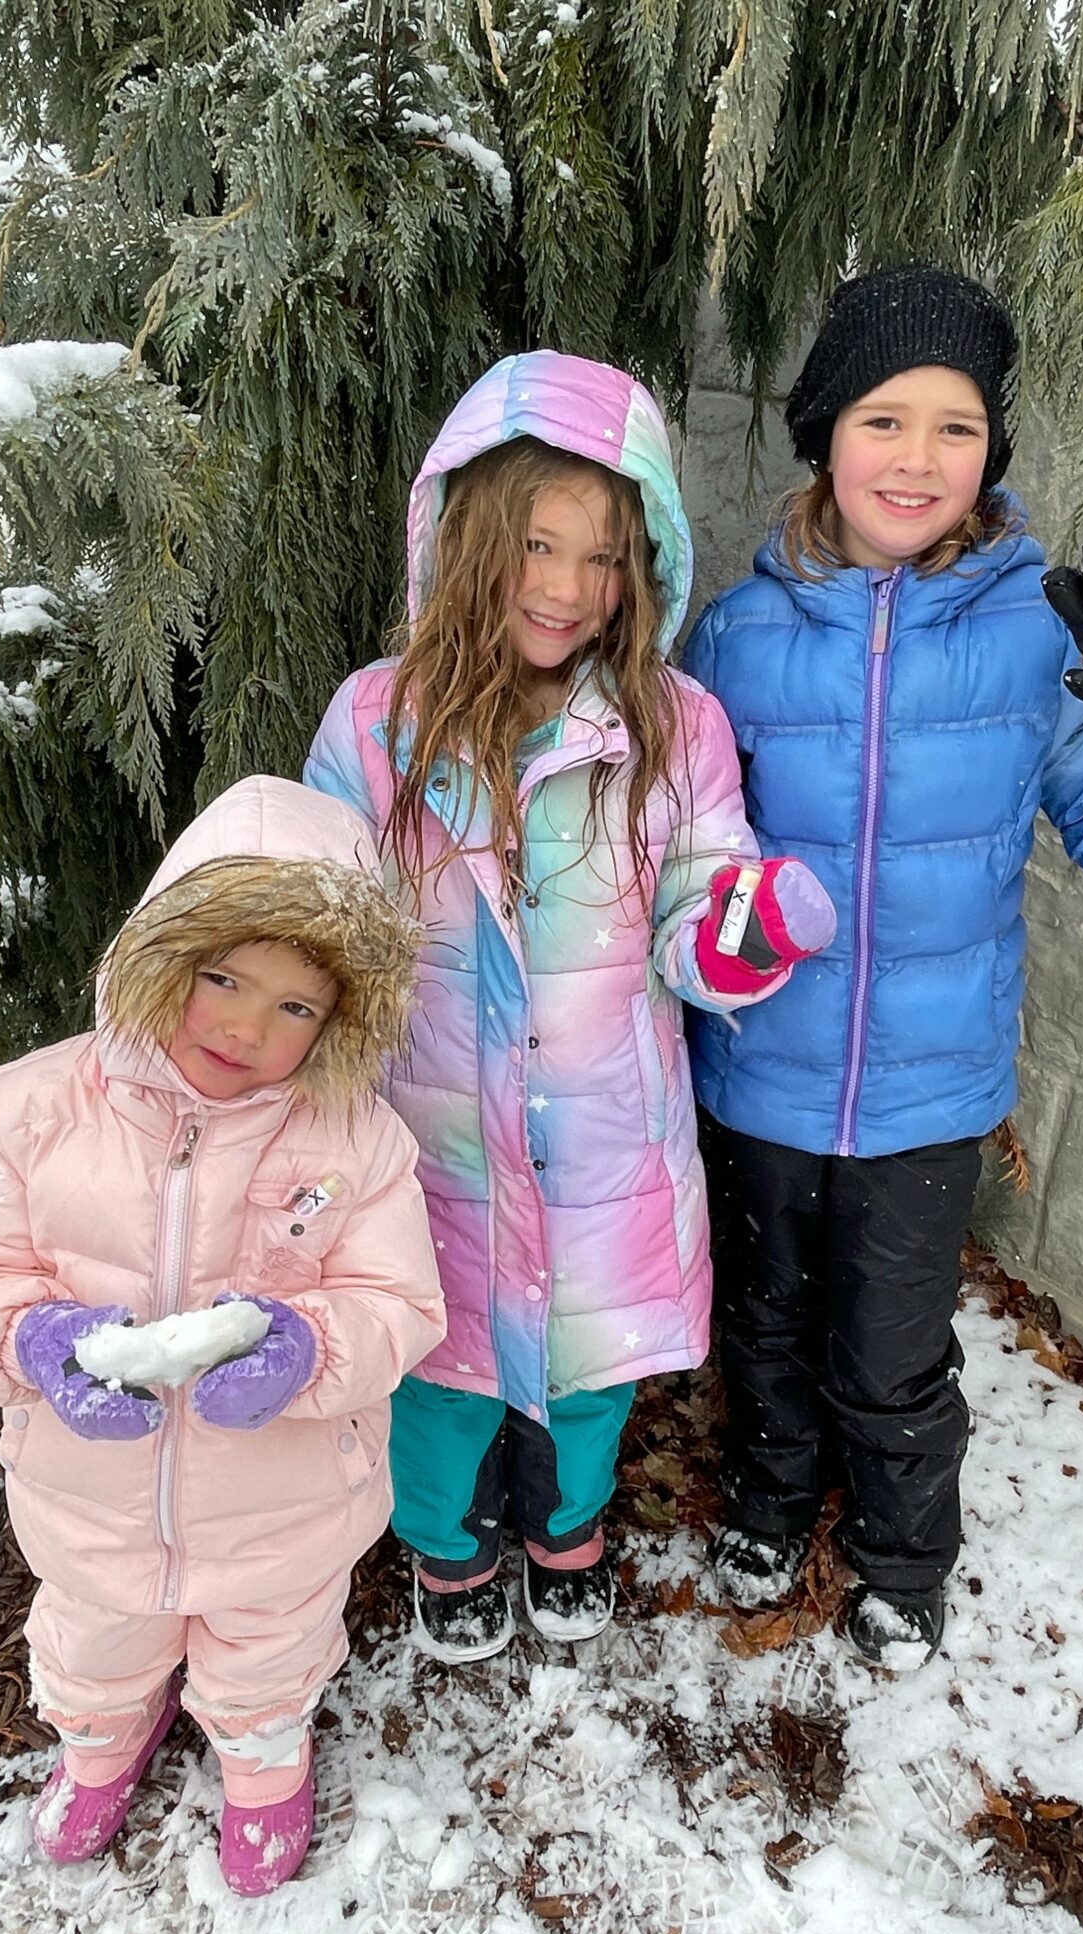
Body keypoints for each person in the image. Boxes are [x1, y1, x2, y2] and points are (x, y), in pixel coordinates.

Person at [684, 265, 1083, 1667]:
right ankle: (769, 1499)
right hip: (759, 1070)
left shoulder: (1034, 634)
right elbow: (687, 852)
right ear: (825, 433)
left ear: (992, 449)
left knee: (892, 1348)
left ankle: (901, 1553)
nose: (918, 457)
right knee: (764, 1321)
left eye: (957, 426)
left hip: (930, 1089)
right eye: (884, 419)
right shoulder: (740, 633)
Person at [304, 349, 834, 1663]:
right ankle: (447, 1539)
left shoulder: (674, 726)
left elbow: (697, 905)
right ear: (469, 537)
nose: (566, 587)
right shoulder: (377, 721)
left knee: (589, 1366)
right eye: (537, 546)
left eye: (604, 558)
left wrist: (746, 931)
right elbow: (319, 908)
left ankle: (566, 1525)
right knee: (441, 1372)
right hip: (434, 1139)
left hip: (601, 1137)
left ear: (643, 567)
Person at [0, 777, 446, 1894]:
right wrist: (36, 1344)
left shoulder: (358, 1139)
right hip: (89, 1499)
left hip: (287, 1504)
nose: (247, 1028)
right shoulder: (33, 1108)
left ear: (340, 1020)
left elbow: (399, 1304)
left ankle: (263, 1757)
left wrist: (308, 1349)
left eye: (296, 1006)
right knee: (94, 1641)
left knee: (271, 1648)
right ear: (165, 957)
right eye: (222, 979)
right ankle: (102, 1741)